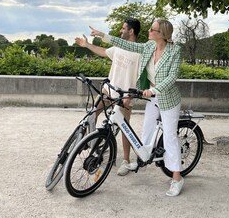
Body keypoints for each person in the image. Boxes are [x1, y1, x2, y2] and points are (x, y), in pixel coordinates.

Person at [89, 18, 184, 197]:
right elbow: (125, 44)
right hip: (151, 97)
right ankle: (144, 159)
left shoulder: (174, 51)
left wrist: (154, 89)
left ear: (161, 34)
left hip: (167, 98)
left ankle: (177, 178)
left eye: (152, 29)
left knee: (170, 137)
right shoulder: (149, 47)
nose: (148, 31)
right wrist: (102, 35)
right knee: (146, 132)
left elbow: (171, 78)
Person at [74, 18, 141, 176]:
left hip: (125, 96)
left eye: (123, 28)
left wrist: (131, 95)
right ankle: (90, 145)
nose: (121, 31)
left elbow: (142, 76)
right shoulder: (119, 47)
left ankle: (126, 160)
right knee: (92, 114)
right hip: (108, 91)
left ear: (131, 31)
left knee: (125, 127)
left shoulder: (139, 51)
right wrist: (87, 45)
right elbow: (104, 52)